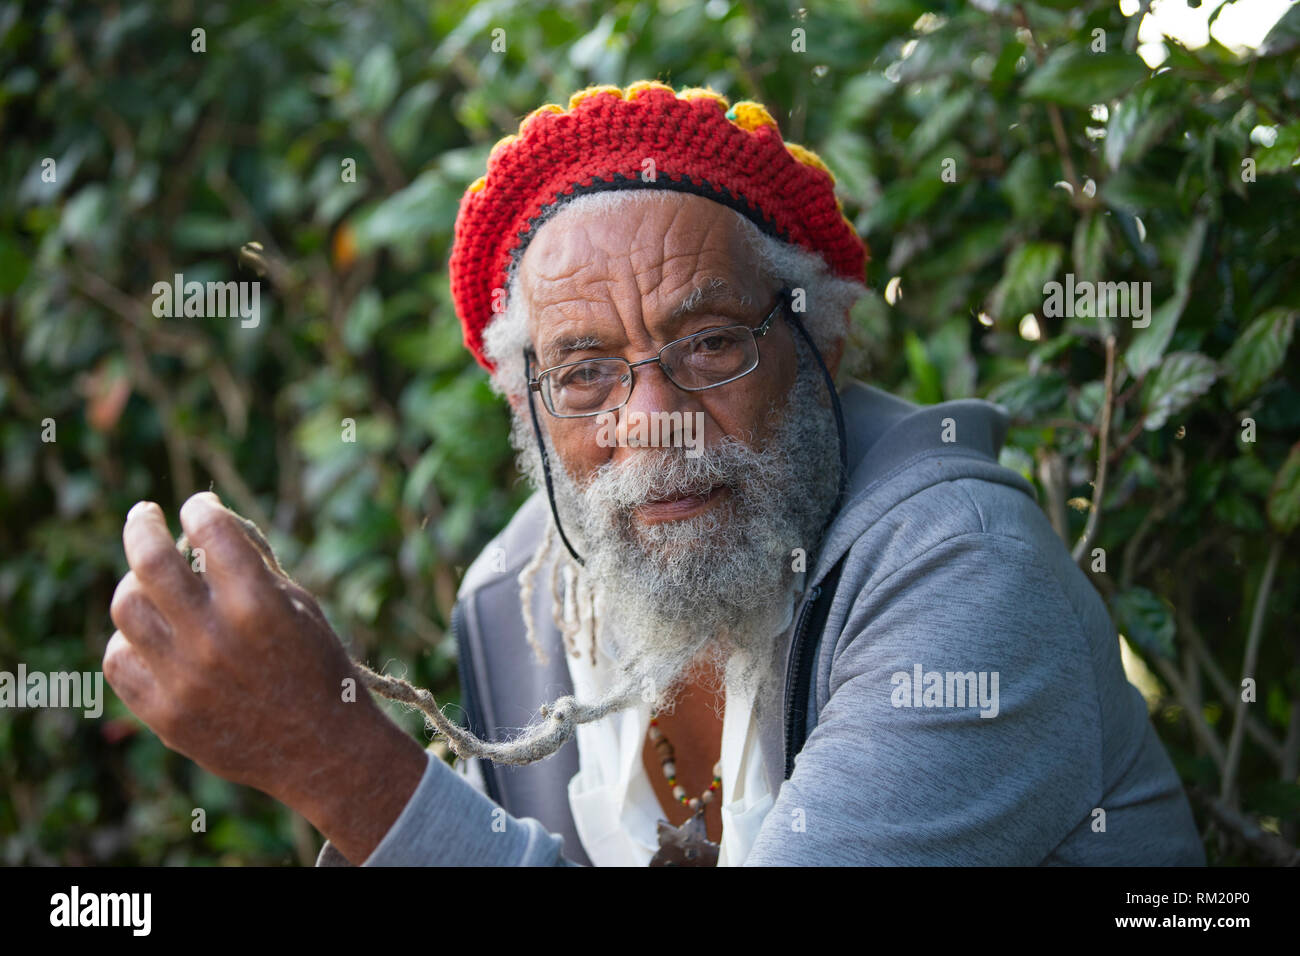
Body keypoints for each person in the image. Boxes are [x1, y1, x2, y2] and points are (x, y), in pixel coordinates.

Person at [106, 81, 1205, 866]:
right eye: (584, 372)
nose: (656, 424)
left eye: (711, 343)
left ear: (820, 342)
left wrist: (337, 760)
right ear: (526, 409)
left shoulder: (960, 566)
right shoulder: (518, 601)